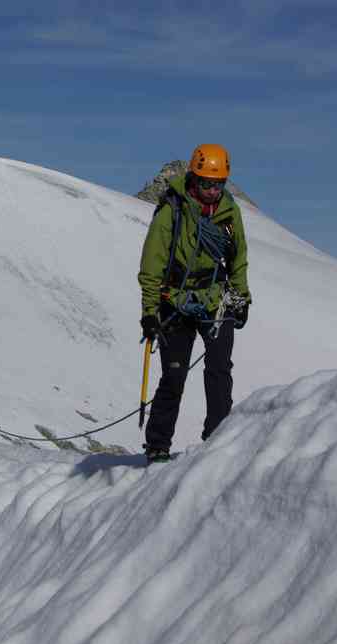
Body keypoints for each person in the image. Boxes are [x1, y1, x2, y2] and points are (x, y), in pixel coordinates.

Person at [137, 144, 251, 464]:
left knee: (219, 370)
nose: (213, 191)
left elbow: (238, 260)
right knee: (174, 375)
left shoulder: (229, 213)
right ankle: (158, 444)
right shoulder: (171, 211)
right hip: (173, 301)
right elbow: (151, 266)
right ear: (193, 178)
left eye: (219, 184)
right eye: (206, 184)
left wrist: (241, 299)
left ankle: (217, 441)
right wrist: (149, 313)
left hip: (215, 300)